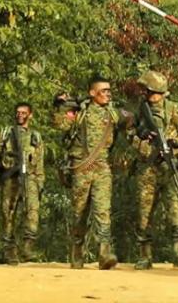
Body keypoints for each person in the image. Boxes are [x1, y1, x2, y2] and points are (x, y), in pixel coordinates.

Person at [53, 76, 133, 270]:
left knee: (103, 210)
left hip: (102, 167)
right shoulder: (79, 111)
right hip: (81, 167)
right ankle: (76, 251)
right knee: (79, 212)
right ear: (92, 92)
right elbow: (60, 125)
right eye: (103, 90)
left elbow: (130, 118)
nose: (107, 93)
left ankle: (104, 253)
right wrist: (59, 106)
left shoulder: (112, 112)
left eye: (109, 90)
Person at [131, 70, 178, 270]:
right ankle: (144, 255)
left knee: (176, 208)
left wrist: (175, 142)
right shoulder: (139, 111)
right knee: (144, 211)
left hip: (170, 165)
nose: (146, 95)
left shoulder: (177, 109)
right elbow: (129, 134)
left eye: (148, 91)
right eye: (145, 91)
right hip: (148, 167)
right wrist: (144, 143)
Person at [0, 102, 45, 264]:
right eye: (17, 112)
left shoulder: (35, 136)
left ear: (30, 115)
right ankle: (9, 251)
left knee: (32, 213)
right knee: (8, 214)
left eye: (24, 112)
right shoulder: (6, 133)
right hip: (10, 177)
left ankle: (27, 248)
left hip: (30, 177)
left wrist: (40, 183)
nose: (20, 115)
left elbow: (39, 161)